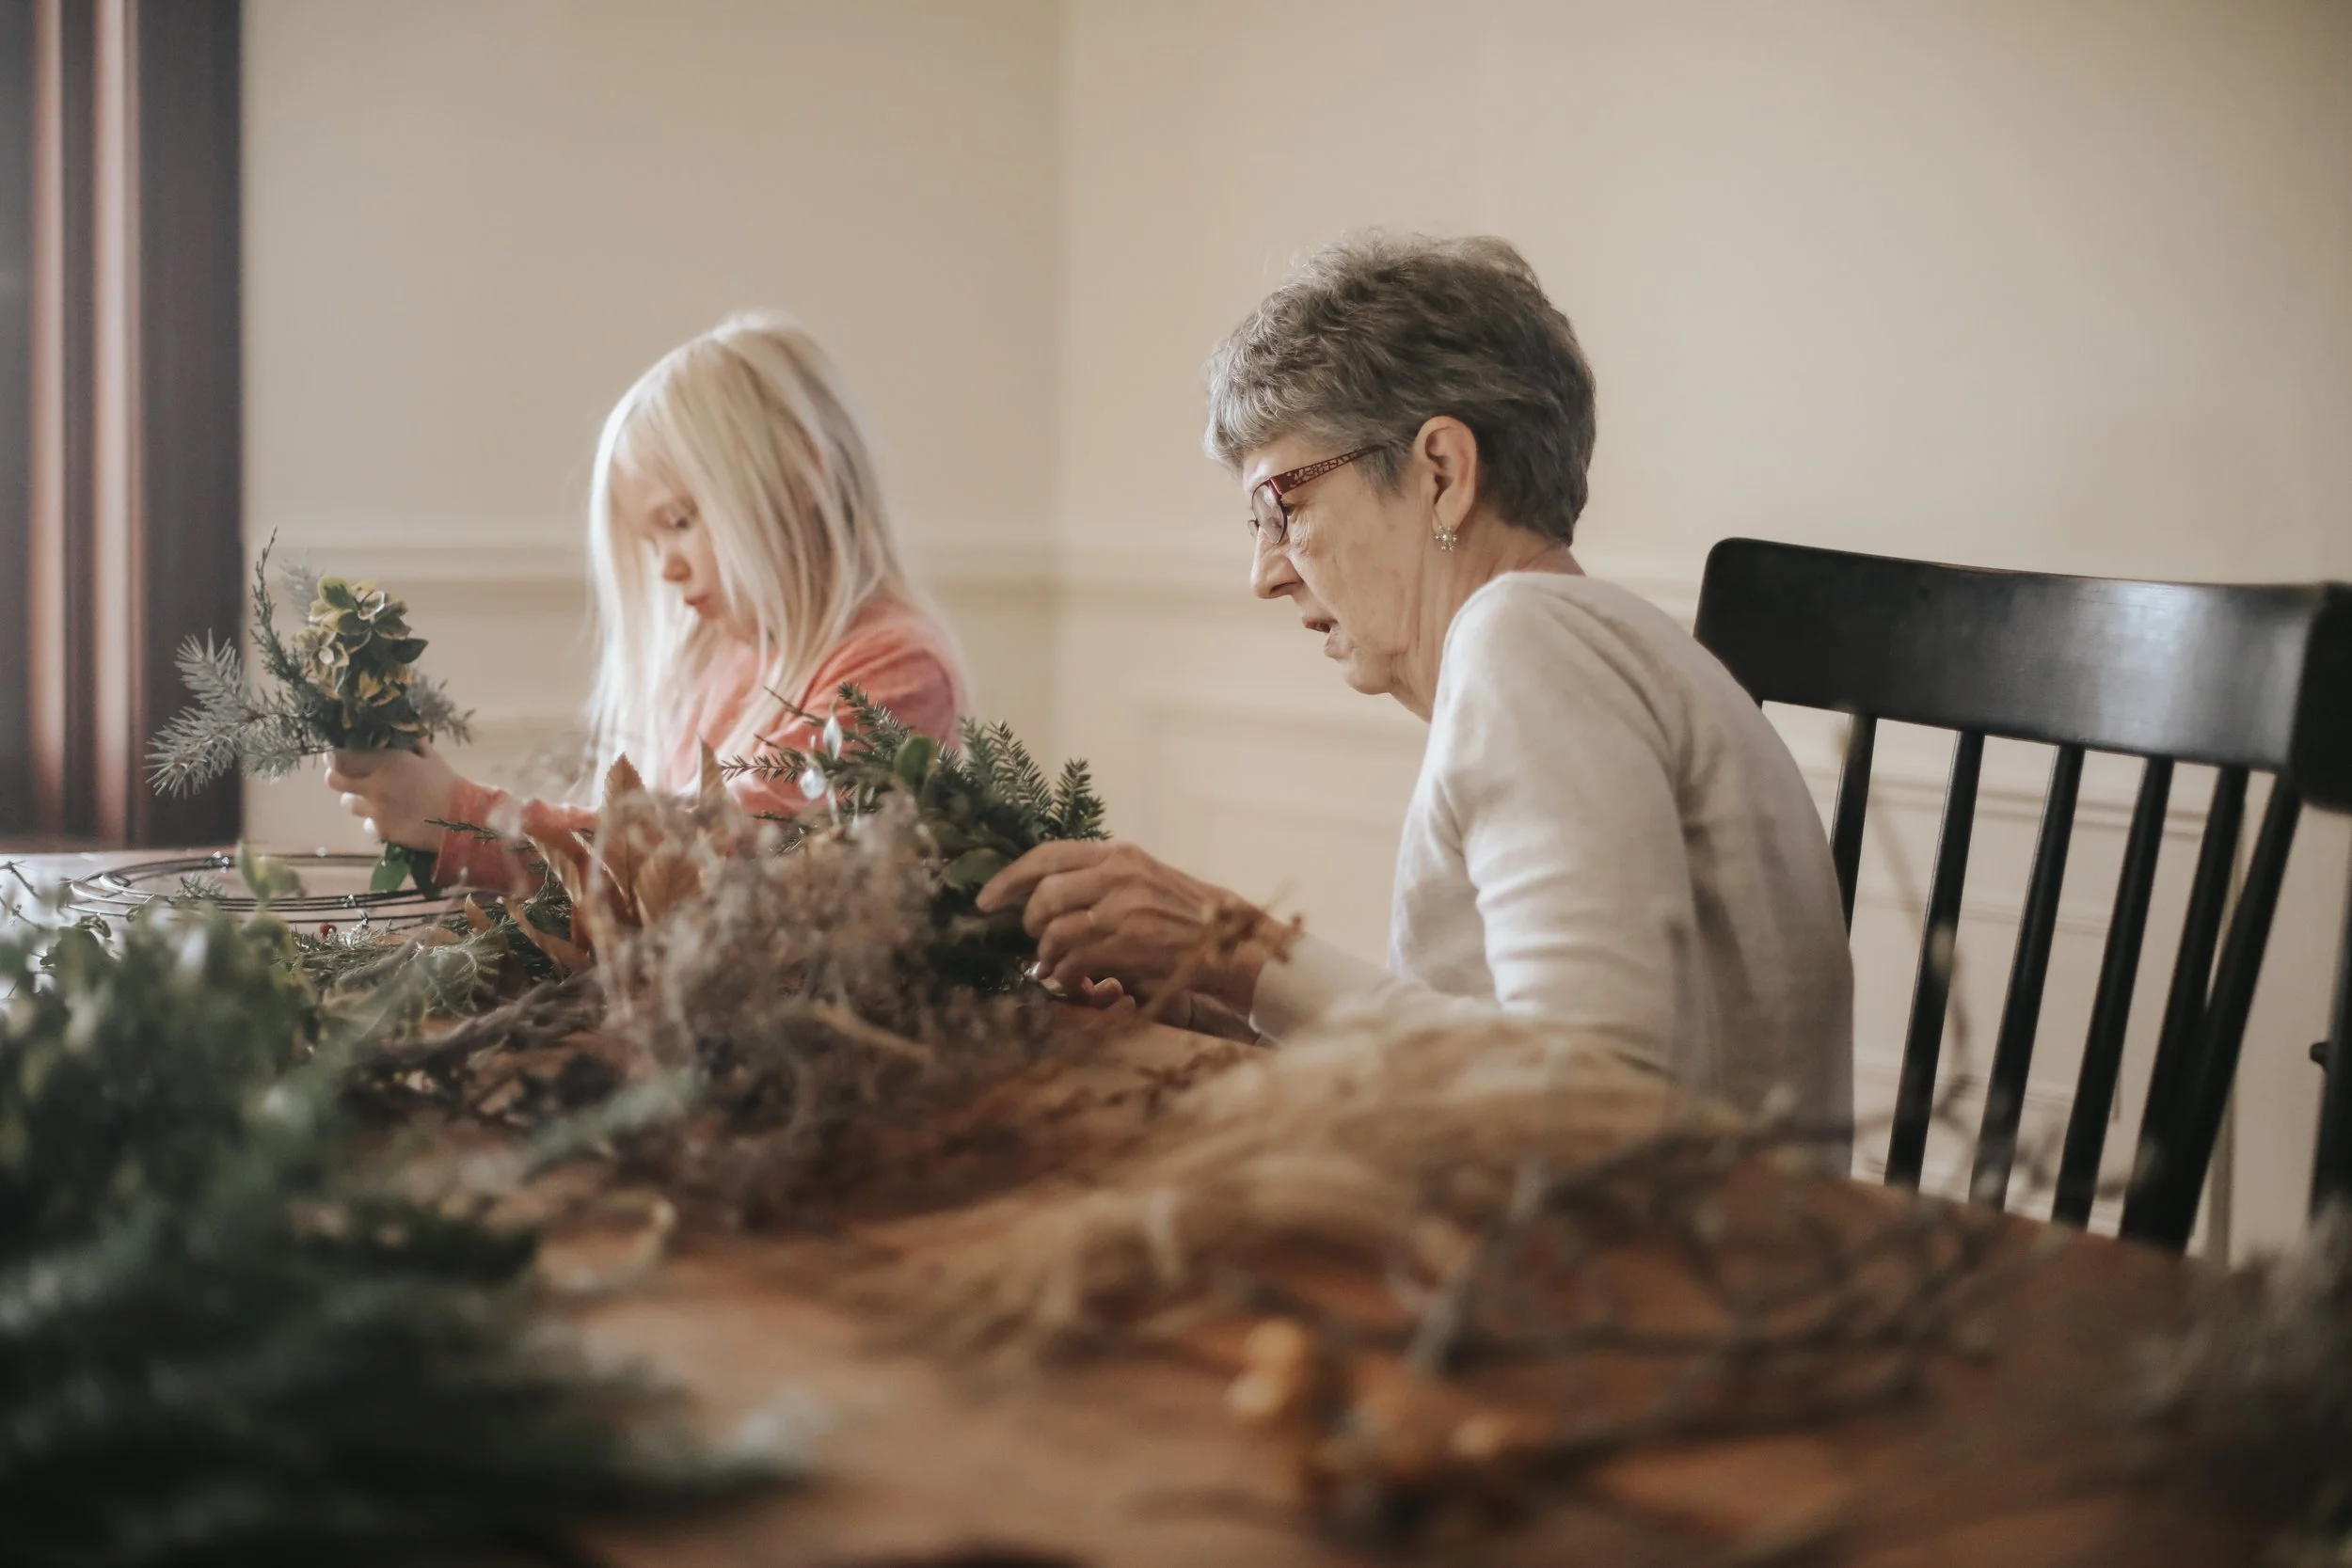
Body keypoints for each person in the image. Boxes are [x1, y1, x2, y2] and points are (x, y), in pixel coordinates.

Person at [978, 233, 1851, 1126]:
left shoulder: (1525, 635)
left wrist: (1235, 949)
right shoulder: (1587, 645)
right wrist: (1236, 1020)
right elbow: (1510, 1063)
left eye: (1282, 507)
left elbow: (1595, 1095)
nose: (1264, 574)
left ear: (1441, 472)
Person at [326, 312, 968, 892]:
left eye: (680, 520)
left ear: (803, 473)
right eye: (653, 539)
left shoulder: (897, 668)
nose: (667, 567)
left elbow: (708, 854)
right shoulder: (713, 658)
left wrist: (463, 818)